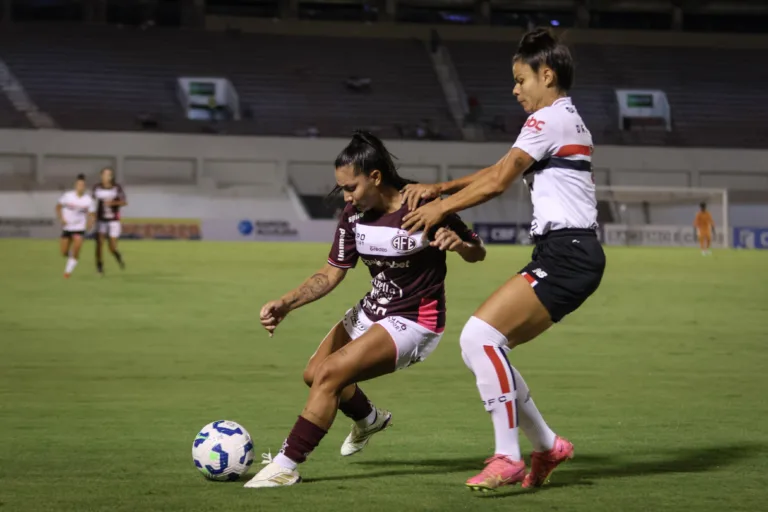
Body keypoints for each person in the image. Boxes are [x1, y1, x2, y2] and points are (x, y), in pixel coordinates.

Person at [400, 28, 606, 491]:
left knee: (479, 339)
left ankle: (507, 456)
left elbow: (498, 183)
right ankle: (548, 445)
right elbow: (498, 170)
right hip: (570, 253)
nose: (515, 89)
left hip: (568, 253)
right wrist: (442, 188)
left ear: (546, 75)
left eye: (520, 79)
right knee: (490, 346)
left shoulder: (547, 120)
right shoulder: (563, 118)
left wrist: (440, 207)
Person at [244, 131, 485, 489]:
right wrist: (286, 303)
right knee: (314, 375)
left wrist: (460, 245)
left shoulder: (424, 204)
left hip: (416, 319)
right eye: (342, 188)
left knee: (330, 376)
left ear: (375, 177)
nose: (346, 196)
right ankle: (370, 419)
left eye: (351, 187)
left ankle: (286, 465)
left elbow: (477, 252)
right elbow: (330, 274)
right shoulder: (353, 216)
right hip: (375, 309)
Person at [56, 174, 95, 279]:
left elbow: (92, 214)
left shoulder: (88, 200)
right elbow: (58, 207)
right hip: (67, 227)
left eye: (83, 185)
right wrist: (61, 219)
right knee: (64, 252)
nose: (81, 187)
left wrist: (90, 223)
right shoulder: (67, 196)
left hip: (79, 227)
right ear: (75, 185)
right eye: (79, 185)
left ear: (84, 187)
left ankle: (67, 273)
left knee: (77, 248)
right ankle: (72, 258)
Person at [92, 167, 127, 275]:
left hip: (113, 220)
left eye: (110, 174)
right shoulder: (96, 187)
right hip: (101, 220)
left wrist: (112, 203)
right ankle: (99, 266)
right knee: (99, 243)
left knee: (111, 247)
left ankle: (117, 254)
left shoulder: (116, 188)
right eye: (106, 174)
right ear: (101, 175)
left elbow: (124, 202)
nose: (108, 176)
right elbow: (90, 201)